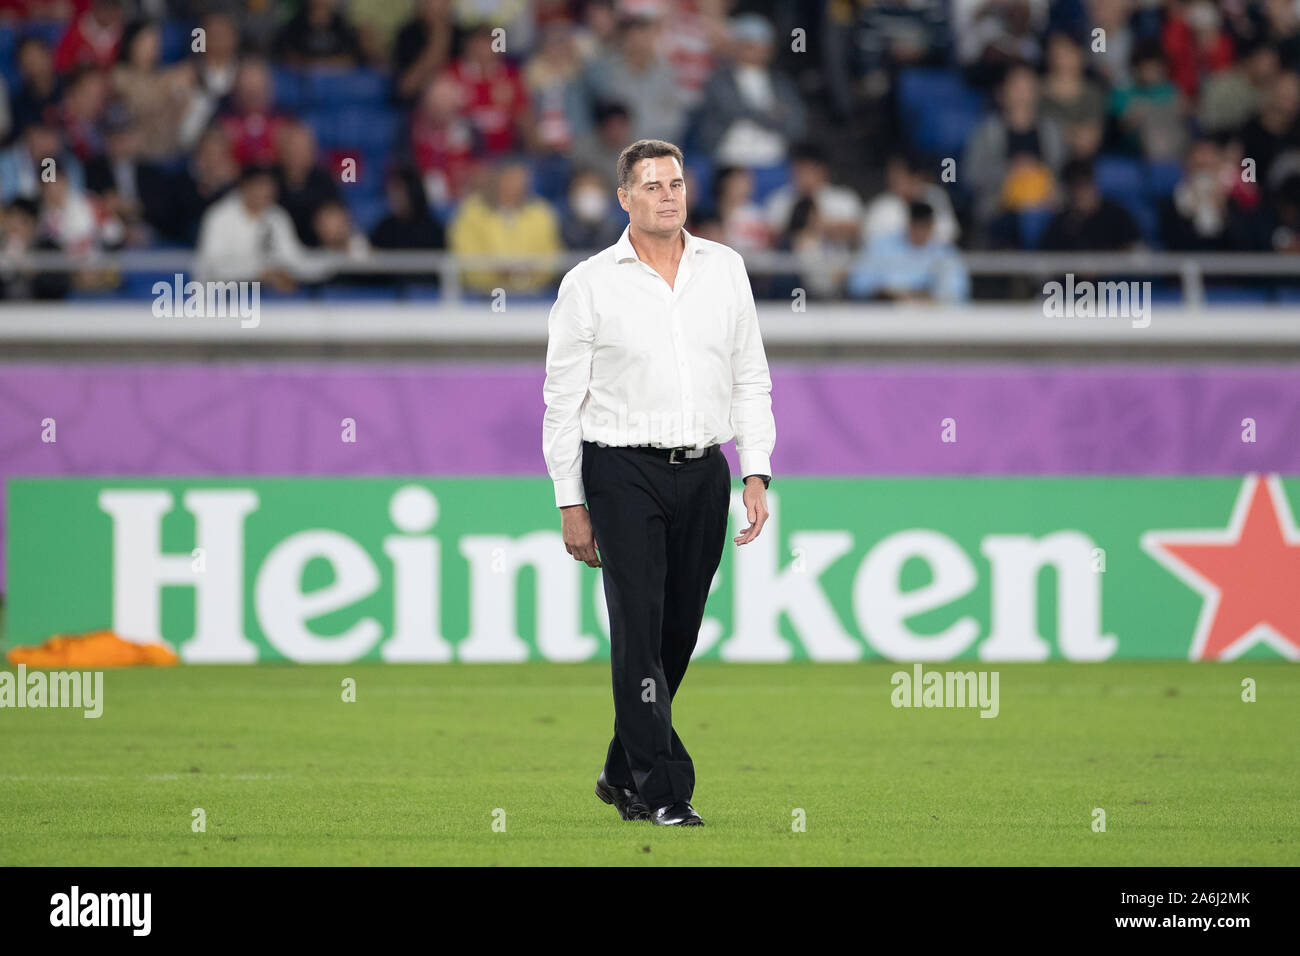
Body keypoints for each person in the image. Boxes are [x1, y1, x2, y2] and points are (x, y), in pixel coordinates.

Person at [541, 138, 775, 827]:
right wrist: (570, 500)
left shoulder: (725, 269)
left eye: (675, 183)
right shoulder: (588, 283)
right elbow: (562, 402)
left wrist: (755, 469)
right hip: (620, 469)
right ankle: (664, 788)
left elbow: (750, 376)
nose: (667, 195)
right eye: (650, 186)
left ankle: (621, 768)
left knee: (678, 631)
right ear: (624, 198)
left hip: (705, 469)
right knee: (638, 628)